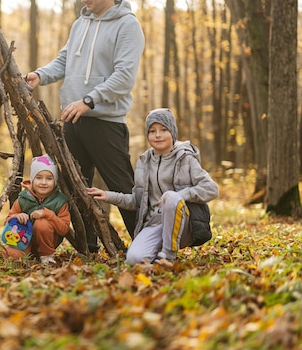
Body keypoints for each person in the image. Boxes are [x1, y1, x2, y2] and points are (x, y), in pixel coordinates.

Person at [24, 0, 145, 251]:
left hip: (105, 121)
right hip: (73, 120)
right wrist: (40, 75)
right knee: (77, 187)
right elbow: (65, 61)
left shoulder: (128, 26)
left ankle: (148, 245)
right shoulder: (81, 23)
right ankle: (88, 247)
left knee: (122, 187)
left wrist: (89, 101)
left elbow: (124, 76)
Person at [86, 108, 219, 266]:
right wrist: (108, 196)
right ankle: (158, 261)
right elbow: (137, 201)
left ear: (173, 132)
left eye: (163, 130)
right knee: (134, 259)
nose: (157, 135)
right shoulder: (144, 162)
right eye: (152, 131)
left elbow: (211, 189)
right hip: (154, 223)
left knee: (171, 197)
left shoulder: (186, 158)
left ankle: (168, 255)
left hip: (184, 225)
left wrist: (180, 195)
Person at [2, 154, 71, 264]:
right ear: (32, 179)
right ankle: (26, 254)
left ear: (55, 181)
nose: (43, 182)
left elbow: (63, 229)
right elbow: (7, 221)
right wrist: (17, 216)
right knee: (12, 256)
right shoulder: (23, 198)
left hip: (47, 242)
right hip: (22, 240)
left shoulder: (60, 201)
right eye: (39, 178)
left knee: (42, 224)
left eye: (49, 178)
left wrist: (48, 214)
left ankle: (45, 256)